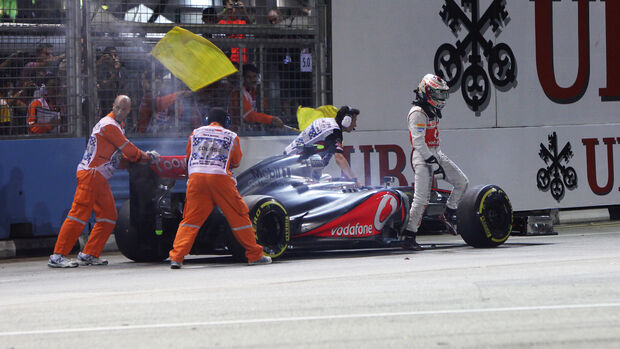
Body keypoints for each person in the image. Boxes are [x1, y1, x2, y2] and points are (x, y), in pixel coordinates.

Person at [48, 95, 158, 268]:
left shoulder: (114, 125)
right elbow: (128, 149)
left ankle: (89, 254)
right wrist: (146, 156)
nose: (120, 111)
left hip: (97, 177)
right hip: (91, 175)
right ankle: (58, 255)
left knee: (108, 216)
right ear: (113, 106)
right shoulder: (109, 125)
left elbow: (118, 155)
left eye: (123, 108)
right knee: (78, 214)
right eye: (118, 107)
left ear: (128, 110)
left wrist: (138, 158)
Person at [168, 108, 272, 269]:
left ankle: (177, 257)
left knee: (190, 219)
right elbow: (236, 162)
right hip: (220, 179)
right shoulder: (232, 136)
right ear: (227, 122)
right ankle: (254, 255)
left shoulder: (195, 133)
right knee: (239, 215)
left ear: (207, 119)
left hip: (196, 178)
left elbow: (189, 156)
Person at [404, 74, 469, 251]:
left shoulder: (431, 109)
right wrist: (433, 162)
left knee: (462, 182)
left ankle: (449, 211)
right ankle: (409, 236)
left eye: (443, 94)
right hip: (422, 157)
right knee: (421, 200)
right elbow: (418, 142)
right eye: (437, 94)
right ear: (426, 92)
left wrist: (437, 159)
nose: (440, 99)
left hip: (436, 153)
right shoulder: (417, 113)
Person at [284, 105, 361, 186]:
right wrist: (354, 179)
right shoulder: (334, 132)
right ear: (346, 121)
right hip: (296, 166)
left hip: (290, 160)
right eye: (354, 121)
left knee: (327, 175)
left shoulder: (326, 121)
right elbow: (339, 158)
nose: (355, 125)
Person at [230, 63, 284, 130]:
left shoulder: (255, 91)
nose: (252, 80)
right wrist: (271, 119)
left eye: (254, 76)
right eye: (249, 77)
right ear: (243, 78)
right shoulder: (238, 93)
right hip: (237, 130)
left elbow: (264, 108)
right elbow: (249, 116)